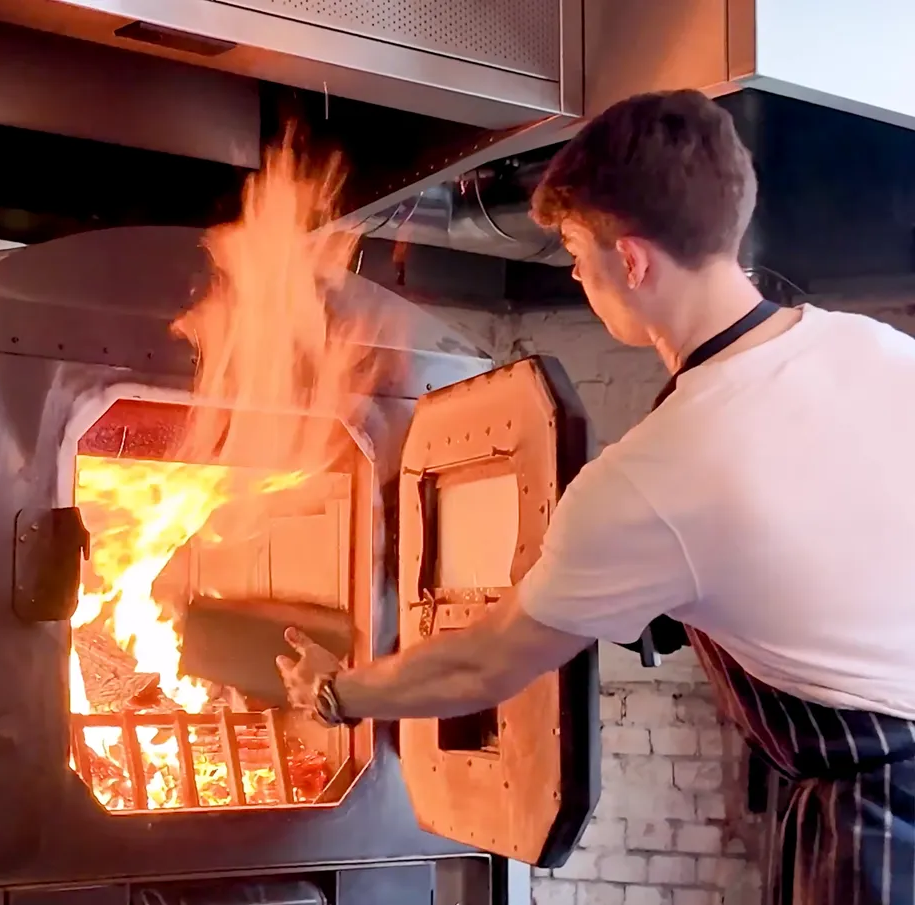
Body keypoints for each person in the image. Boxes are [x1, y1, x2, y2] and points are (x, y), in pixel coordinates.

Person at [275, 89, 915, 904]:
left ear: (636, 261)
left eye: (578, 249)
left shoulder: (658, 472)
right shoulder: (875, 348)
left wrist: (338, 692)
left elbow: (483, 662)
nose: (575, 272)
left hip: (883, 820)